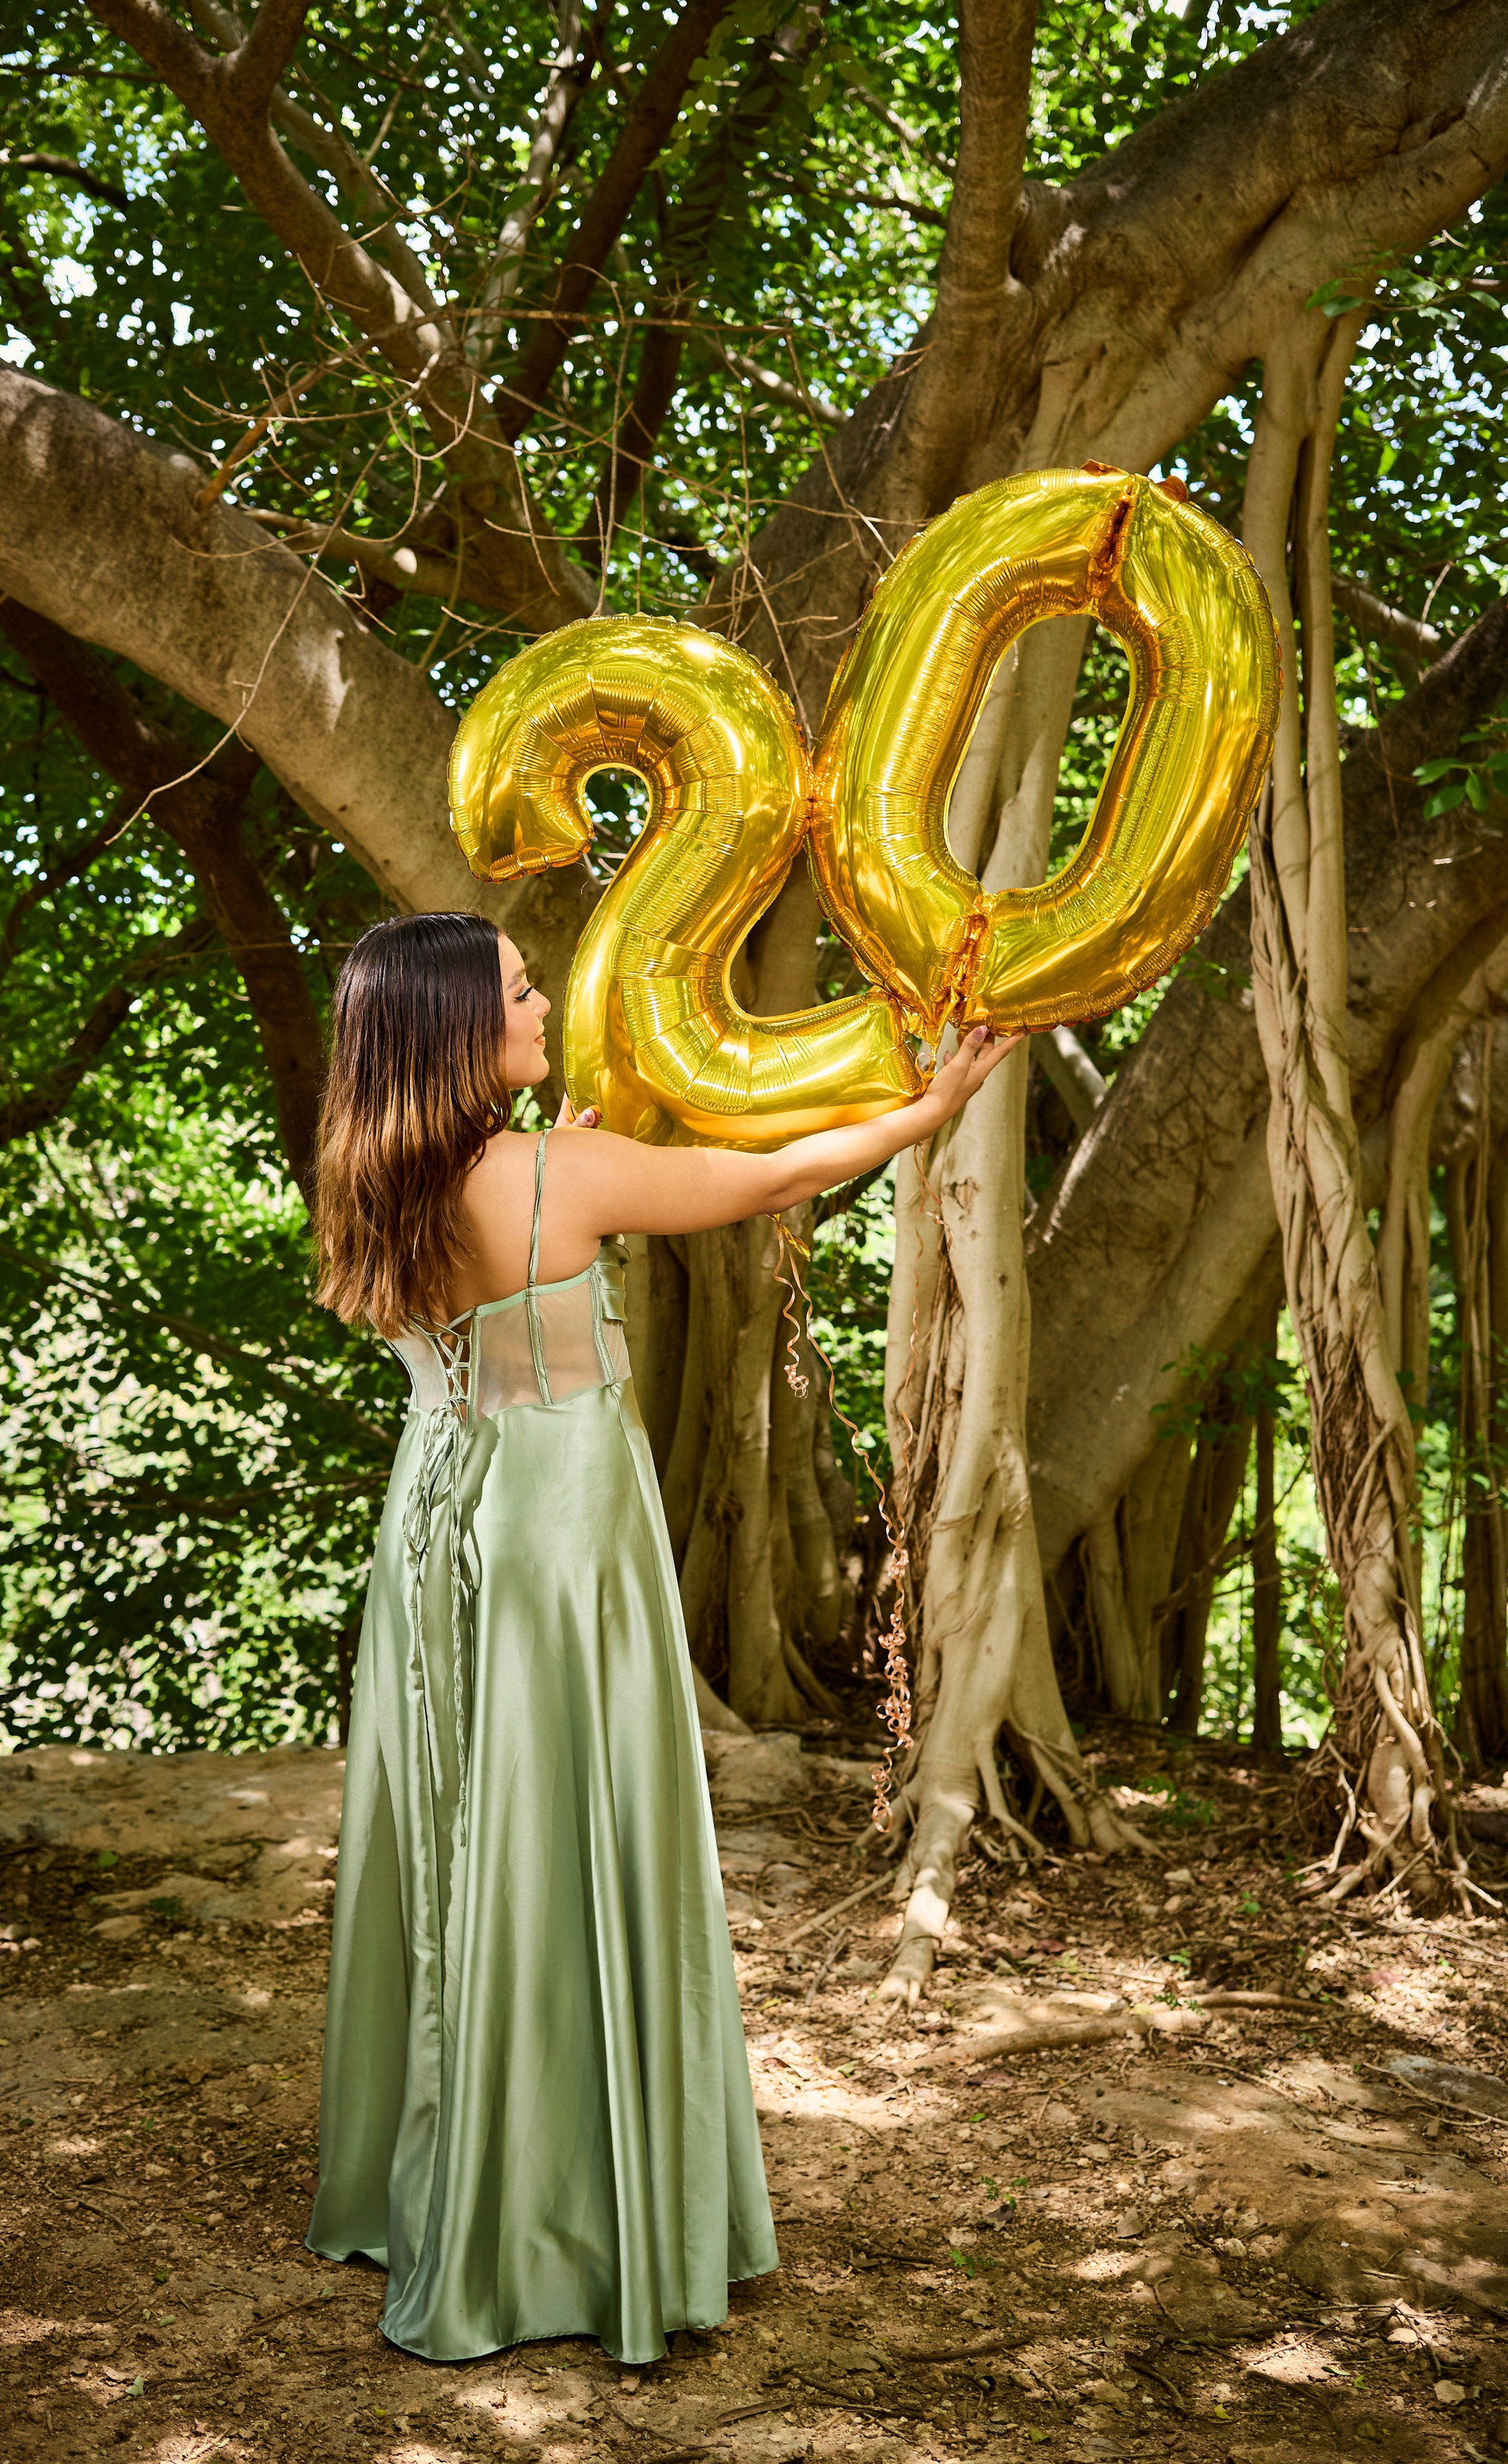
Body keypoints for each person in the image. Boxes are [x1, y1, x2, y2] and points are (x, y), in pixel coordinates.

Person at [304, 910, 1022, 2364]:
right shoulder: (557, 1173)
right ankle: (573, 2208)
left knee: (463, 1833)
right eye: (516, 986)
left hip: (438, 1521)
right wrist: (927, 1107)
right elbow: (765, 1172)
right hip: (560, 1528)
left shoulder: (370, 1176)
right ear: (452, 1026)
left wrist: (549, 1155)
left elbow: (496, 1272)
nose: (543, 995)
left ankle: (443, 2174)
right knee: (575, 1829)